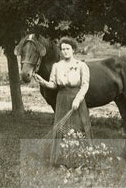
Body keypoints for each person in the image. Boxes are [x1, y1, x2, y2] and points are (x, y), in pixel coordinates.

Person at [34, 37, 92, 167]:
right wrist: (43, 82)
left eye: (68, 49)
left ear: (73, 50)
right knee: (62, 129)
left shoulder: (81, 65)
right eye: (63, 49)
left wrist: (78, 99)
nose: (65, 51)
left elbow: (85, 85)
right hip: (61, 100)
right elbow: (53, 84)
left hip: (77, 99)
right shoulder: (57, 66)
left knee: (78, 127)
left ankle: (81, 160)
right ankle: (61, 161)